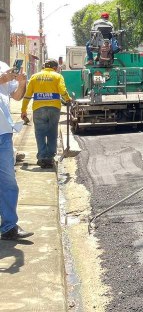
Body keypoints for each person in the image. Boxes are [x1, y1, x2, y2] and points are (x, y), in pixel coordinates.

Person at [21, 59, 71, 168]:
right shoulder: (57, 76)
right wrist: (68, 99)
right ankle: (49, 157)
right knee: (52, 133)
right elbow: (62, 90)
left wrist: (23, 110)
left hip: (38, 109)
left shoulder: (34, 77)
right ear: (54, 68)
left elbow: (27, 95)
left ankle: (42, 157)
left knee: (40, 134)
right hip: (54, 108)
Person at [0, 61, 30, 240]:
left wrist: (21, 82)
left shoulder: (3, 66)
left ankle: (9, 227)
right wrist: (3, 78)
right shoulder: (3, 73)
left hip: (3, 135)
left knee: (9, 183)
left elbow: (17, 96)